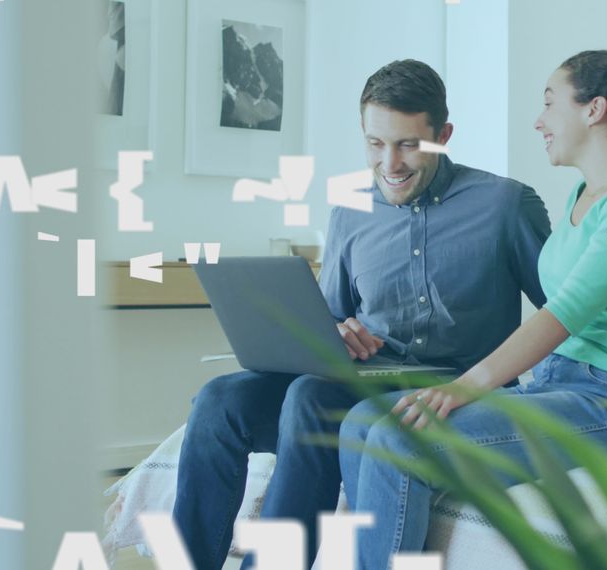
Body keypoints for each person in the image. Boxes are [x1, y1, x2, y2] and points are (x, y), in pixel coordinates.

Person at [171, 59, 551, 570]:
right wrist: (333, 331)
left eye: (408, 145)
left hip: (451, 389)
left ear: (443, 135)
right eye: (375, 144)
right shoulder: (349, 210)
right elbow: (325, 320)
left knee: (312, 396)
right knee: (220, 399)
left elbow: (563, 312)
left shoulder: (506, 204)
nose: (389, 162)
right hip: (366, 378)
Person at [338, 49, 607, 569]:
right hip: (557, 385)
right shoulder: (582, 193)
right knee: (361, 420)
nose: (538, 120)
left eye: (550, 103)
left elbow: (564, 312)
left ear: (593, 109)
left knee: (399, 441)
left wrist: (465, 386)